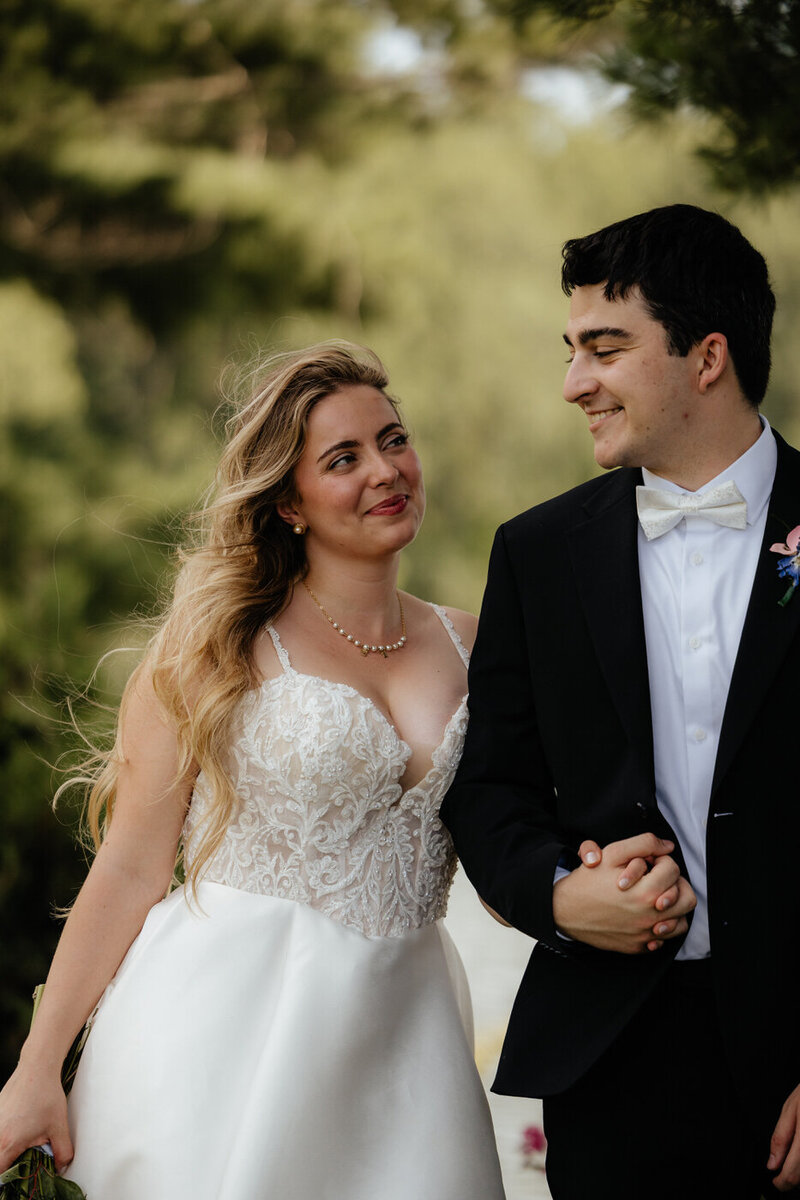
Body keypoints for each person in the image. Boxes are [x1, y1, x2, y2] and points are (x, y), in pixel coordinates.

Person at [0, 341, 505, 1199]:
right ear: (289, 503)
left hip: (406, 1039)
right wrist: (36, 1068)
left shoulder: (478, 646)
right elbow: (127, 869)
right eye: (343, 459)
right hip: (221, 1033)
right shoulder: (214, 652)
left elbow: (508, 851)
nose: (386, 470)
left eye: (393, 439)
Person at [441, 204, 800, 1198]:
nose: (571, 385)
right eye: (570, 351)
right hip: (610, 1065)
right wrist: (557, 895)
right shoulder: (535, 554)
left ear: (706, 357)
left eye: (602, 349)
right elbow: (489, 793)